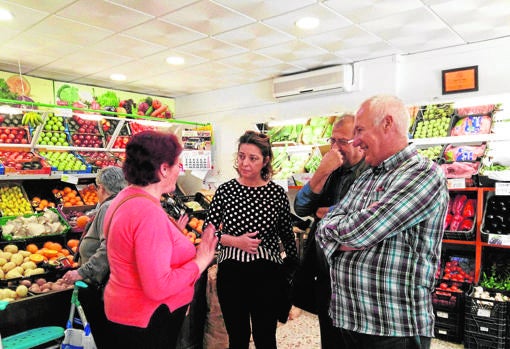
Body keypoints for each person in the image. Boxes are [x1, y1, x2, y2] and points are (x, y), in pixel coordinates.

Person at [316, 95, 449, 349]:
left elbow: (362, 232)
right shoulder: (367, 176)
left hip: (392, 328)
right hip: (350, 320)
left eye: (359, 130)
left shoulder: (423, 174)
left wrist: (340, 236)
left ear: (387, 124)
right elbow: (324, 226)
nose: (355, 141)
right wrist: (341, 234)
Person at [102, 130, 218, 349]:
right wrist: (201, 261)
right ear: (164, 169)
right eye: (177, 165)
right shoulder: (147, 212)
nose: (179, 170)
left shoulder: (125, 198)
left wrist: (172, 233)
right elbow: (158, 286)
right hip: (146, 320)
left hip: (124, 313)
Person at [205, 130, 299, 349]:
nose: (244, 163)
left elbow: (286, 233)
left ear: (265, 160)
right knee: (237, 337)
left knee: (265, 337)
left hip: (267, 276)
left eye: (252, 158)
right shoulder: (226, 190)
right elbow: (208, 232)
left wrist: (290, 273)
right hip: (231, 274)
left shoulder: (276, 193)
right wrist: (233, 241)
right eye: (241, 156)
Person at [292, 114, 368, 349]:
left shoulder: (370, 172)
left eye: (341, 141)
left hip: (355, 276)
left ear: (358, 140)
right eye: (332, 140)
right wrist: (321, 172)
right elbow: (302, 207)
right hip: (326, 274)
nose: (334, 147)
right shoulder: (332, 169)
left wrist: (332, 212)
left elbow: (364, 216)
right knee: (330, 336)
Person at [62, 166, 127, 348]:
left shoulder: (108, 207)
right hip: (106, 284)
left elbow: (108, 248)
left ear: (102, 188)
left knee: (99, 333)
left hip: (99, 285)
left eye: (96, 187)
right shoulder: (117, 203)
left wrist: (82, 272)